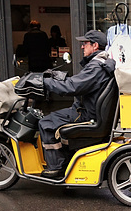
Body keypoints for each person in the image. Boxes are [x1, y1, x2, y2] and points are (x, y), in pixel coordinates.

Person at [38, 30, 116, 179]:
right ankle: (66, 160)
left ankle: (55, 168)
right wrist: (57, 77)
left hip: (86, 114)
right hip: (89, 111)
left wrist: (45, 82)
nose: (82, 47)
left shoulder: (95, 67)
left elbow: (72, 87)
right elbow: (79, 82)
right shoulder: (101, 64)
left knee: (46, 123)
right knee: (59, 117)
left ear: (95, 46)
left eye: (85, 44)